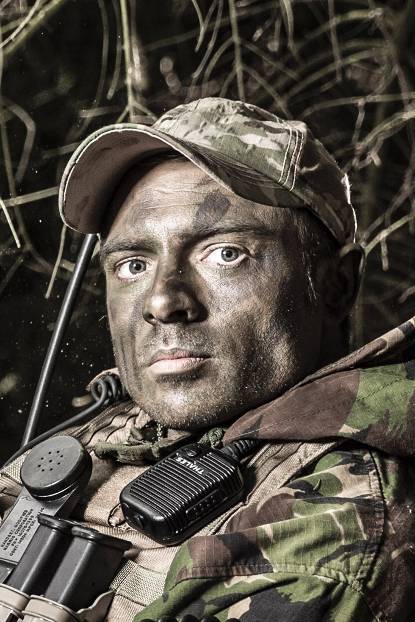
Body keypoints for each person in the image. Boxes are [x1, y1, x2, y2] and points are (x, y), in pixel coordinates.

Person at [2, 98, 415, 621]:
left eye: (225, 253)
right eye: (133, 264)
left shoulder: (333, 523)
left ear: (335, 285)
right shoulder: (124, 427)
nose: (162, 301)